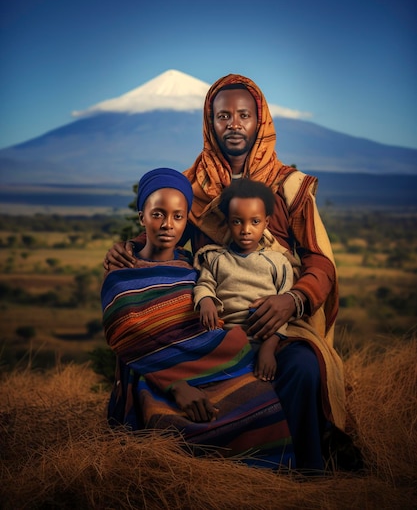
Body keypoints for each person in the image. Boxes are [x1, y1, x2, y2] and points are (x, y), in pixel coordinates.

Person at [104, 74, 347, 472]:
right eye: (223, 116)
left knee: (301, 367)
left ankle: (308, 469)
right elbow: (166, 232)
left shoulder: (290, 187)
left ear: (260, 121)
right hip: (210, 322)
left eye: (243, 115)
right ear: (209, 123)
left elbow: (320, 260)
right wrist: (128, 248)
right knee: (155, 362)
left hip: (279, 320)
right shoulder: (191, 186)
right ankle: (230, 464)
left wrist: (292, 299)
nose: (233, 124)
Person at [102, 167, 295, 469]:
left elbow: (202, 333)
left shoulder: (190, 267)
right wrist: (176, 386)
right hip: (153, 378)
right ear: (142, 217)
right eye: (158, 214)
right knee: (171, 428)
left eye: (179, 216)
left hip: (212, 366)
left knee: (261, 400)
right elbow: (130, 347)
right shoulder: (120, 277)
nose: (168, 224)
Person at [194, 178, 298, 383]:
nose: (246, 229)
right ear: (228, 222)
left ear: (266, 222)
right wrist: (205, 300)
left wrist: (268, 349)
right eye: (237, 221)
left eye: (255, 221)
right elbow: (204, 284)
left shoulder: (277, 262)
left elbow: (285, 312)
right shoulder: (215, 258)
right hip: (222, 338)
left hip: (264, 339)